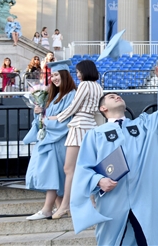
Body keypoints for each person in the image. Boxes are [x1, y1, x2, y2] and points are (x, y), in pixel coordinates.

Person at [70, 73, 158, 246]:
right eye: (111, 96)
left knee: (150, 238)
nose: (117, 96)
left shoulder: (143, 124)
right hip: (114, 199)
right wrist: (99, 180)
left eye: (118, 95)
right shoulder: (94, 135)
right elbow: (83, 168)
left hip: (145, 195)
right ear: (103, 109)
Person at [48, 60, 103, 219]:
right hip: (90, 125)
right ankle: (90, 202)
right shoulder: (98, 87)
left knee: (69, 168)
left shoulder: (85, 85)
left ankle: (65, 205)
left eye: (78, 71)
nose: (77, 74)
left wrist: (57, 118)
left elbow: (74, 106)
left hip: (79, 126)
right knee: (86, 167)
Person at [22, 60, 77, 220]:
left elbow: (66, 120)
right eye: (52, 75)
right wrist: (39, 111)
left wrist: (46, 120)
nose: (53, 78)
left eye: (56, 75)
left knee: (52, 173)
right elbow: (46, 118)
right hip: (49, 139)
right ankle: (60, 208)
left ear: (65, 75)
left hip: (59, 139)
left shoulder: (71, 95)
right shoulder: (54, 96)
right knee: (54, 174)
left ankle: (47, 209)